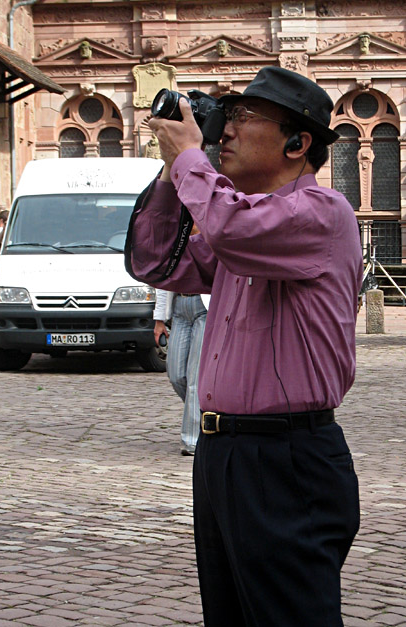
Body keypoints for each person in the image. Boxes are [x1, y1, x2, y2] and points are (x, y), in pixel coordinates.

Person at [126, 66, 362, 626]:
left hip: (286, 460)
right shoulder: (244, 225)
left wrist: (191, 158)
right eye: (223, 118)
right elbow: (156, 260)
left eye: (241, 118)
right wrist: (170, 171)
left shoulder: (321, 214)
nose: (224, 132)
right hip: (224, 456)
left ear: (297, 142)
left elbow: (229, 229)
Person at [153, 288, 209, 456]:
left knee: (195, 378)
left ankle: (191, 441)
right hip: (179, 305)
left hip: (205, 306)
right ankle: (204, 413)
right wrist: (159, 319)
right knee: (176, 374)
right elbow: (163, 281)